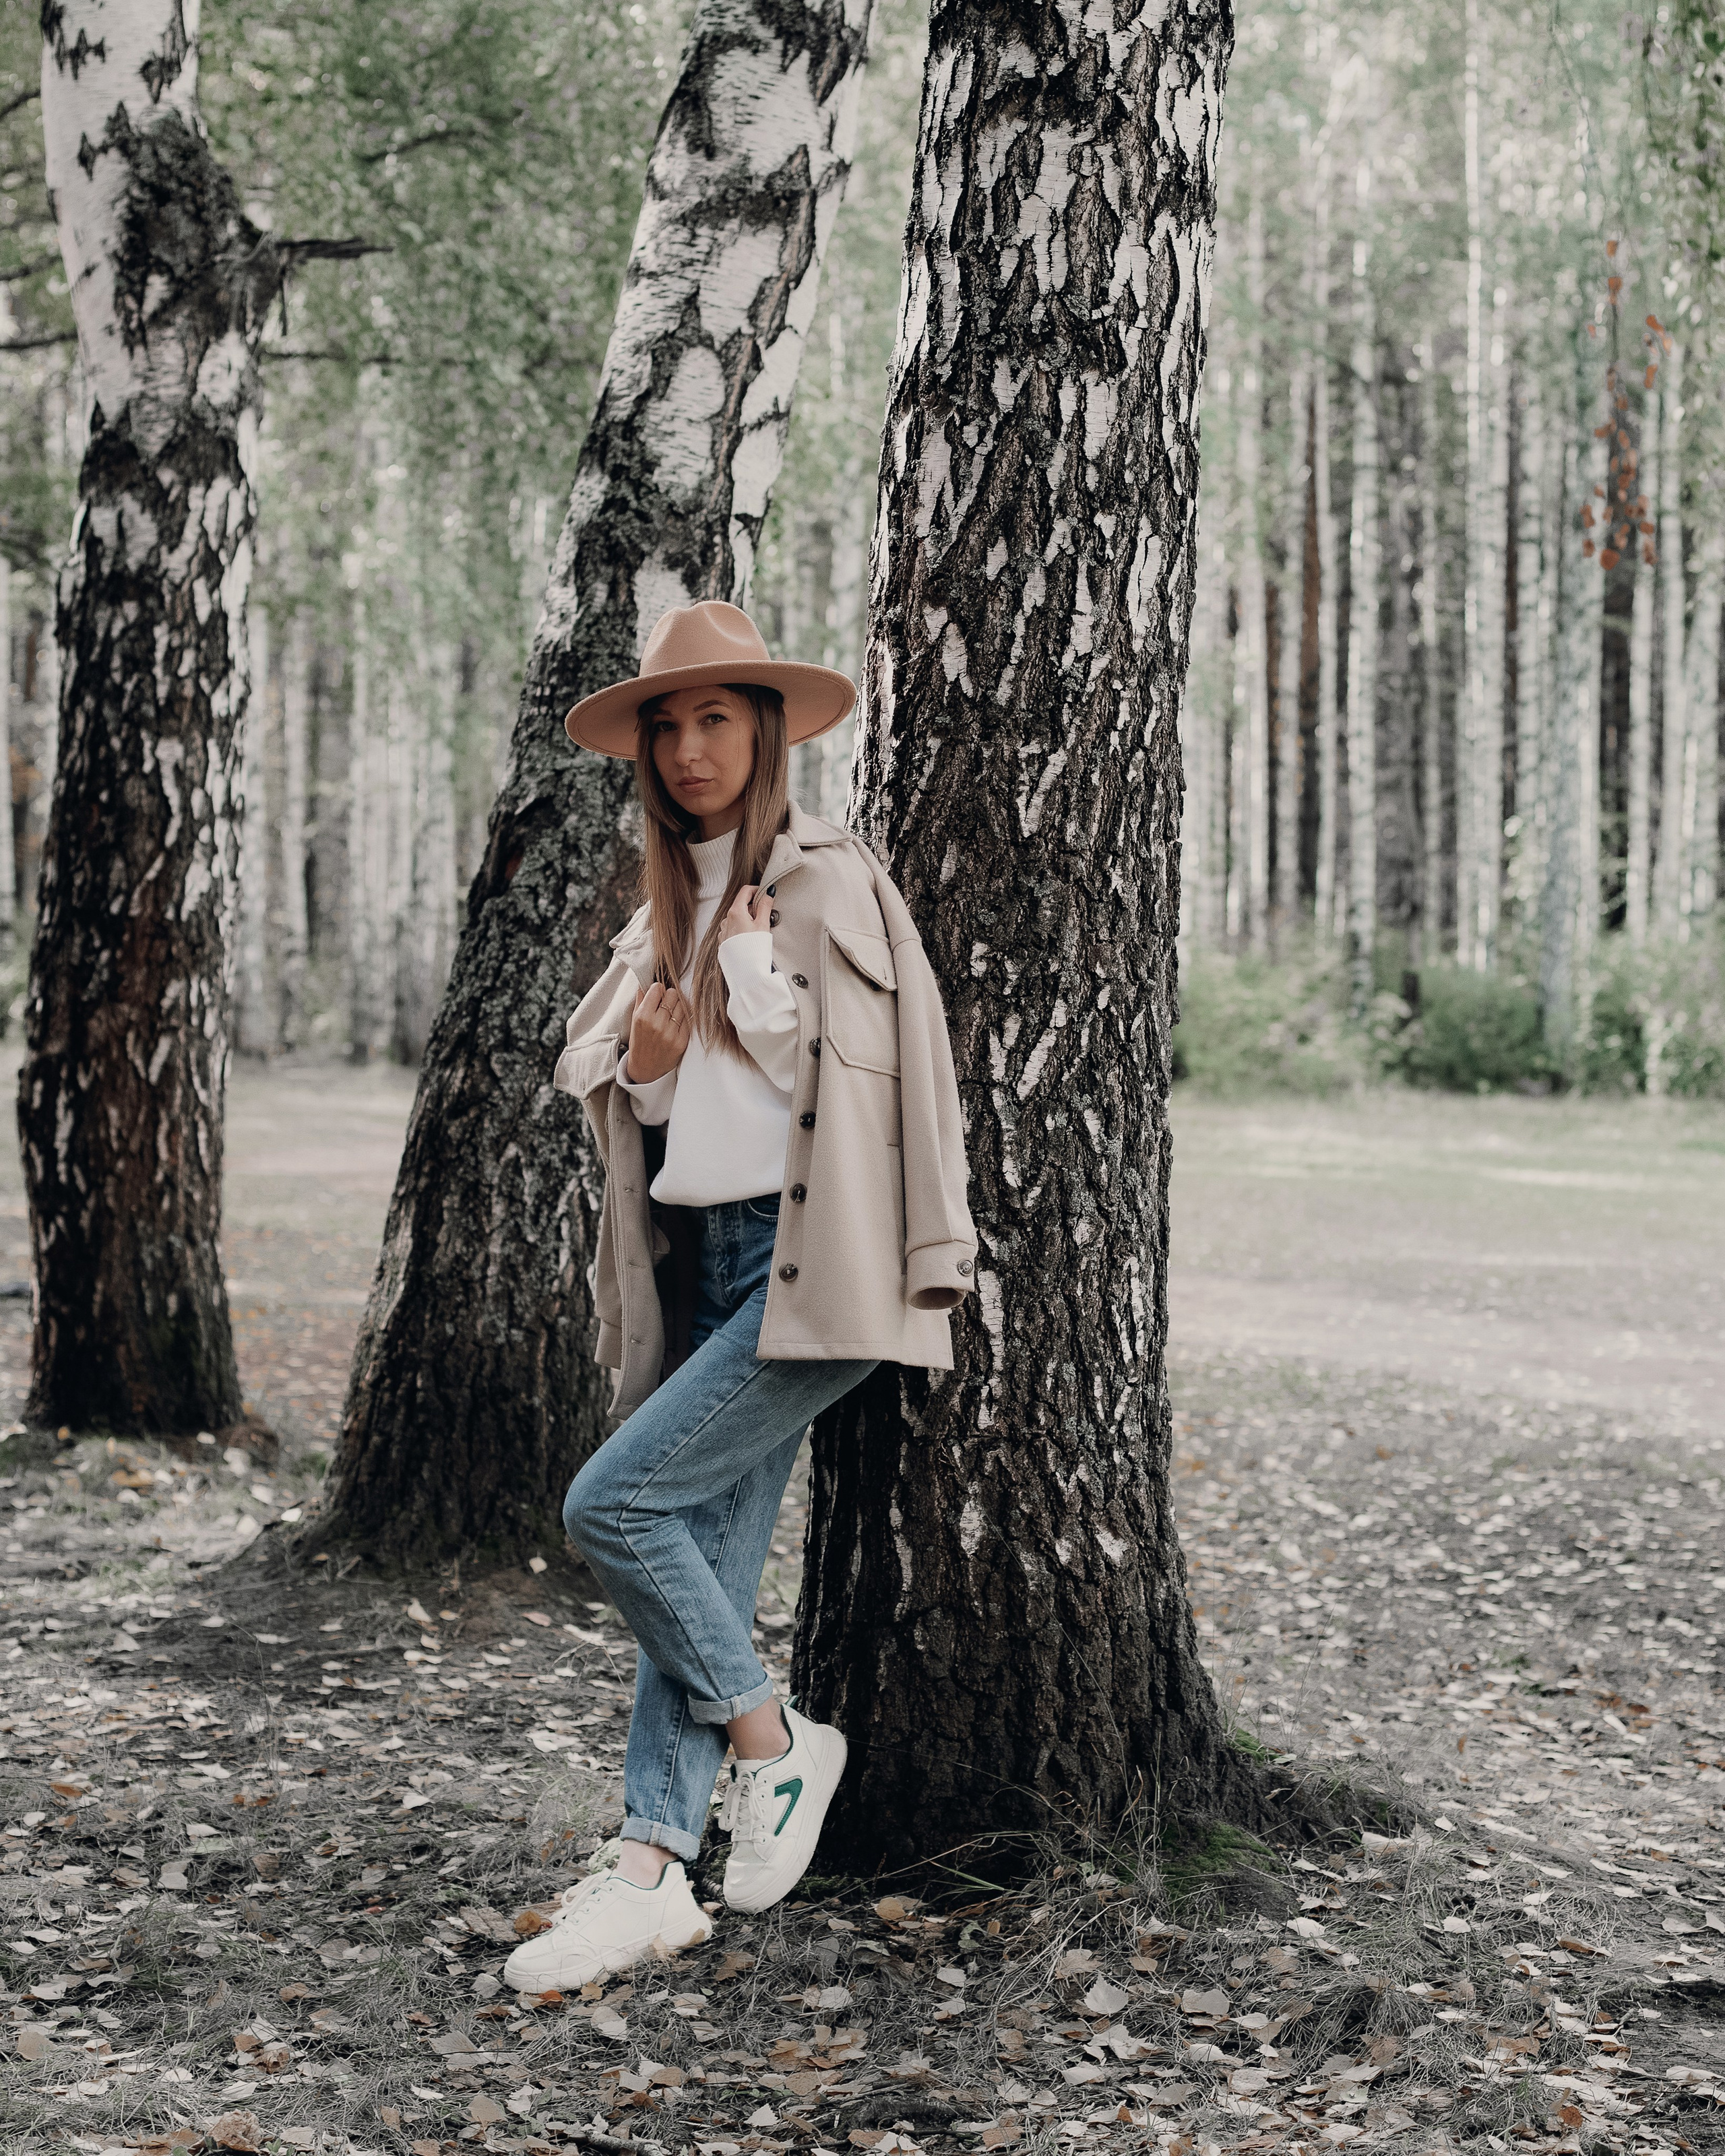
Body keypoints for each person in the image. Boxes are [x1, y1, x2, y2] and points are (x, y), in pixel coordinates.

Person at [502, 601, 977, 1995]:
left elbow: (862, 1084)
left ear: (762, 731)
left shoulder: (827, 876)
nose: (690, 746)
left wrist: (757, 973)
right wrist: (649, 1061)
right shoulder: (666, 901)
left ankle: (774, 1745)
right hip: (706, 1252)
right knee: (691, 1563)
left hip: (809, 1256)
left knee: (614, 1504)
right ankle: (649, 1871)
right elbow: (657, 1099)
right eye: (667, 722)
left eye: (716, 718)